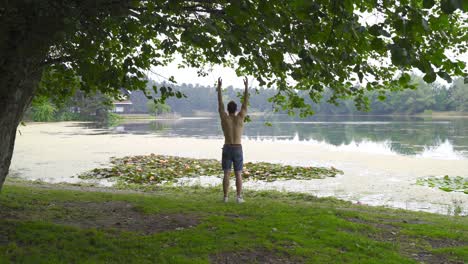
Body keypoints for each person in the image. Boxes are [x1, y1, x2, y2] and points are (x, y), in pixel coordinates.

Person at [216, 77, 249, 203]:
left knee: (226, 173)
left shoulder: (224, 118)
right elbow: (245, 103)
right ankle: (239, 197)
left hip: (227, 147)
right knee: (238, 174)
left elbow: (220, 104)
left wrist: (219, 88)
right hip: (237, 148)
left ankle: (225, 197)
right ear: (236, 109)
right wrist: (246, 87)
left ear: (228, 109)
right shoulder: (240, 117)